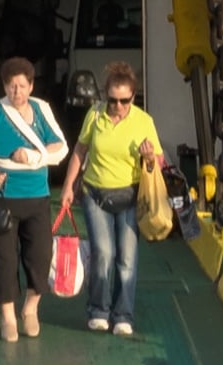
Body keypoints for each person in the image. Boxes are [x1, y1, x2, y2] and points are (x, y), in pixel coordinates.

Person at [0, 60, 69, 344]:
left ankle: (30, 309)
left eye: (22, 86)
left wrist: (33, 156)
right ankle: (7, 317)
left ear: (31, 86)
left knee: (40, 257)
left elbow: (60, 147)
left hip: (37, 196)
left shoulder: (42, 109)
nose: (17, 91)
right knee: (3, 259)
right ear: (4, 86)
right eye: (11, 86)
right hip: (1, 199)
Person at [70, 66, 166, 336]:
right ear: (105, 97)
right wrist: (69, 186)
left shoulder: (144, 121)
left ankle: (122, 314)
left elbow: (158, 161)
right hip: (95, 193)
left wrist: (148, 158)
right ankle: (98, 310)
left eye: (124, 100)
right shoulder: (95, 114)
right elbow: (80, 149)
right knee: (104, 252)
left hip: (130, 195)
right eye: (112, 100)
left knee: (127, 257)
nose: (118, 106)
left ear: (133, 97)